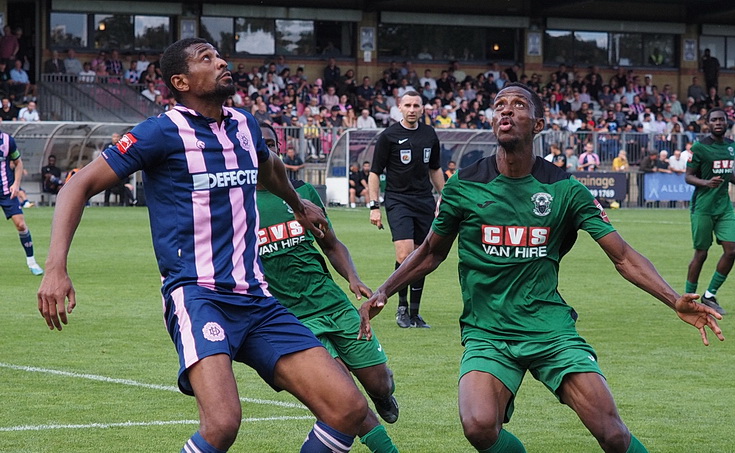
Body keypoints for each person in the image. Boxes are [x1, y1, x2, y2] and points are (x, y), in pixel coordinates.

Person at [36, 37, 368, 453]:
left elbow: (269, 166)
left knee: (348, 409)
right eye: (206, 59)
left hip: (257, 299)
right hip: (198, 294)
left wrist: (296, 203)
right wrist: (55, 267)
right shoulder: (159, 133)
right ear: (181, 80)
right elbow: (77, 185)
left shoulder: (244, 125)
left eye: (218, 55)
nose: (221, 62)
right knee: (223, 423)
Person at [358, 82, 725, 453]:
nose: (506, 111)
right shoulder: (464, 186)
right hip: (489, 331)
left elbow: (623, 256)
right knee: (479, 426)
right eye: (500, 105)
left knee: (612, 435)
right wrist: (383, 290)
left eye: (518, 105)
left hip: (550, 329)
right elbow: (430, 252)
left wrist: (673, 298)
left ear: (538, 124)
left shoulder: (565, 189)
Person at [257, 123, 399, 453]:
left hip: (333, 304)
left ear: (279, 149)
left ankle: (384, 395)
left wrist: (353, 277)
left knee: (380, 381)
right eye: (257, 145)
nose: (264, 152)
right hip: (293, 320)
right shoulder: (236, 205)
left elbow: (332, 245)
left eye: (269, 144)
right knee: (343, 394)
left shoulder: (304, 195)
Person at [368, 90, 444, 328]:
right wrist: (374, 206)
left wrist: (445, 196)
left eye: (416, 105)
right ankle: (401, 309)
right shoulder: (389, 136)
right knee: (404, 255)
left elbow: (435, 169)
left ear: (423, 109)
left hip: (424, 201)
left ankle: (415, 313)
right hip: (398, 200)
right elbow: (374, 173)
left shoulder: (429, 134)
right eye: (408, 105)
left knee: (421, 256)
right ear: (399, 108)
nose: (412, 109)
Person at [684, 108, 735, 315]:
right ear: (708, 123)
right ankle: (688, 298)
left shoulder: (731, 146)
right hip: (703, 207)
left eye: (721, 119)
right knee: (701, 254)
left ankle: (710, 295)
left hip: (724, 207)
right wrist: (706, 182)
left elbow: (729, 174)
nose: (718, 123)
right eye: (714, 120)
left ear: (726, 122)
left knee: (732, 250)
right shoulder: (699, 147)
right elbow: (688, 176)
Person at [0, 129, 44, 275]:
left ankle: (32, 262)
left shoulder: (7, 141)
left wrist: (16, 184)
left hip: (7, 191)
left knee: (21, 225)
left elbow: (18, 163)